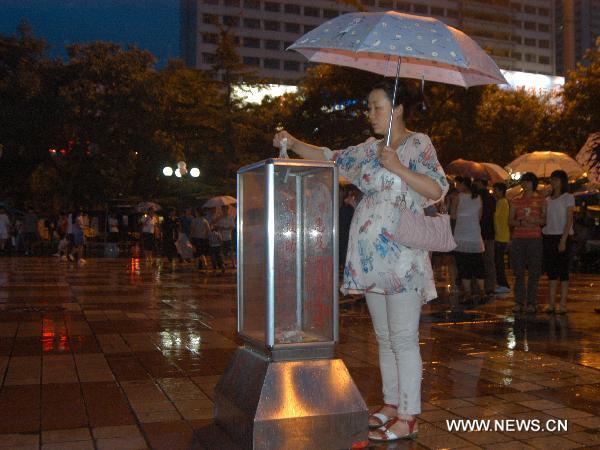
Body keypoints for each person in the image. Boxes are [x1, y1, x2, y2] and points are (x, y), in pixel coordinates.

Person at [273, 80, 448, 442]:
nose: (370, 114)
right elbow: (328, 156)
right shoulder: (368, 149)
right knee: (384, 337)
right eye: (368, 107)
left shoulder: (419, 144)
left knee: (403, 338)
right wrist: (291, 140)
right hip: (368, 257)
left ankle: (410, 414)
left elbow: (436, 190)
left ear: (397, 108)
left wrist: (398, 166)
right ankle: (390, 405)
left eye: (377, 107)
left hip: (402, 256)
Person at [509, 172, 546, 314]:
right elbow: (510, 220)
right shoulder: (516, 200)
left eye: (528, 182)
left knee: (534, 272)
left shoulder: (541, 200)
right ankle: (518, 302)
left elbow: (544, 220)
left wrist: (535, 221)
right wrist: (520, 221)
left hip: (534, 238)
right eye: (523, 182)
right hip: (519, 238)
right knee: (518, 272)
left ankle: (531, 302)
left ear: (533, 184)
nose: (525, 184)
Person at [542, 170, 575, 314]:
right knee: (552, 272)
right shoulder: (548, 199)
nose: (553, 182)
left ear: (562, 181)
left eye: (556, 179)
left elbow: (569, 219)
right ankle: (551, 303)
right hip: (549, 236)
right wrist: (542, 200)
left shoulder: (568, 197)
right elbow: (543, 217)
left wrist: (563, 239)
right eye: (552, 179)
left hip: (563, 236)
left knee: (564, 272)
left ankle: (562, 304)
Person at [451, 177, 485, 302]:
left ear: (463, 185)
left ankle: (467, 294)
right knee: (477, 266)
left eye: (457, 184)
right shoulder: (478, 198)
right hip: (475, 236)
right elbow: (479, 217)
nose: (456, 186)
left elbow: (453, 215)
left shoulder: (458, 197)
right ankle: (481, 292)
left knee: (464, 267)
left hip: (461, 236)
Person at [473, 178, 496, 296]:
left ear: (480, 183)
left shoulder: (476, 197)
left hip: (478, 233)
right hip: (490, 232)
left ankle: (478, 287)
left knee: (478, 261)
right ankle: (490, 287)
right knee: (489, 261)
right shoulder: (492, 198)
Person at [492, 182, 511, 294]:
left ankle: (504, 284)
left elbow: (497, 218)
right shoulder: (500, 202)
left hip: (502, 236)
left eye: (495, 190)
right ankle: (502, 284)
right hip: (500, 236)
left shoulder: (503, 202)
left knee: (499, 262)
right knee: (498, 261)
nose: (494, 192)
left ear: (501, 191)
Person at [339, 186, 360, 270]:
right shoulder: (332, 210)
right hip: (337, 243)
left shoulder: (348, 209)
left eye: (340, 194)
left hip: (346, 243)